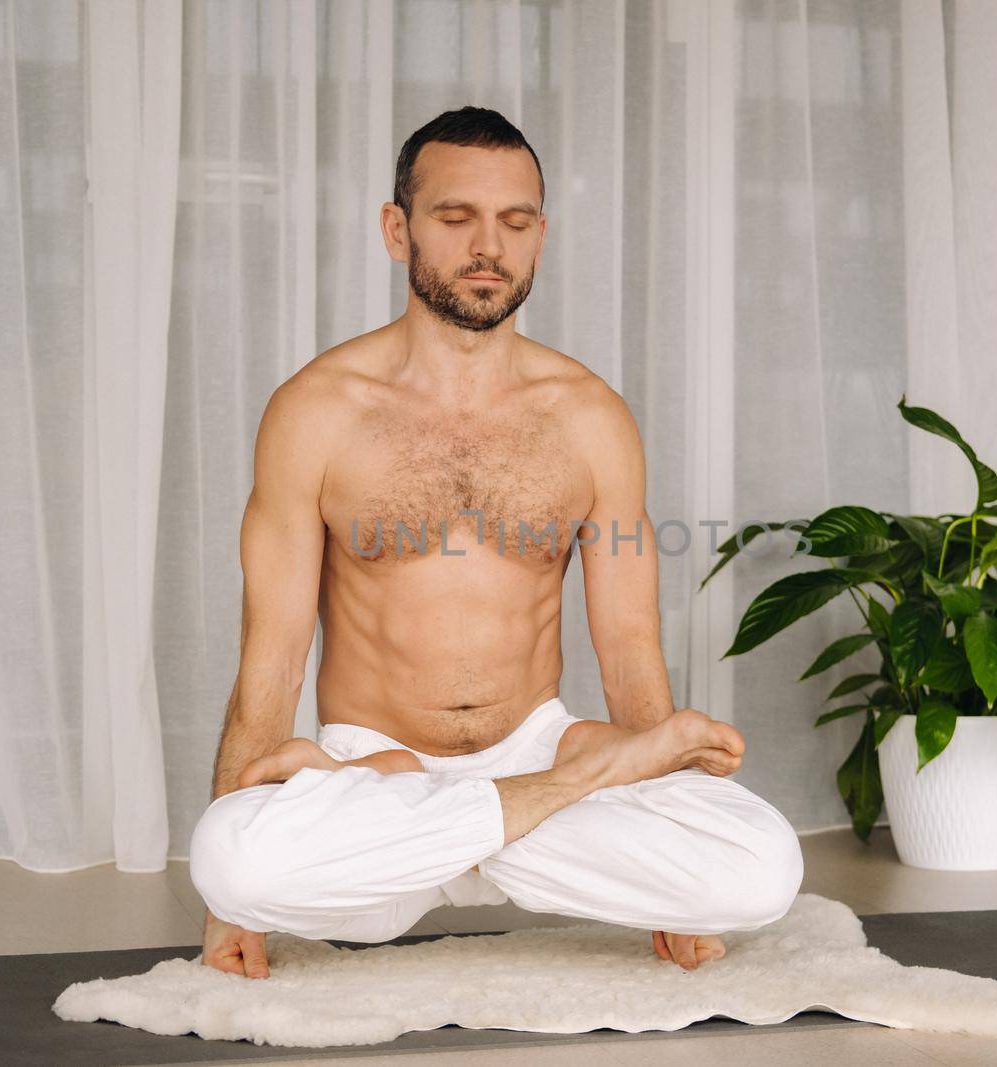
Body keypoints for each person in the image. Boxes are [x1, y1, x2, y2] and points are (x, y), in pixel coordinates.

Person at [188, 106, 803, 981]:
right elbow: (272, 660)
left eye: (515, 222)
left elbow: (628, 647)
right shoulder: (315, 413)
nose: (489, 245)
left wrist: (680, 876)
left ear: (540, 237)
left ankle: (497, 812)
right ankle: (550, 796)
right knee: (230, 857)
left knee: (763, 864)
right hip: (376, 763)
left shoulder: (592, 419)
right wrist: (228, 908)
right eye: (456, 217)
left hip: (521, 747)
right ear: (397, 229)